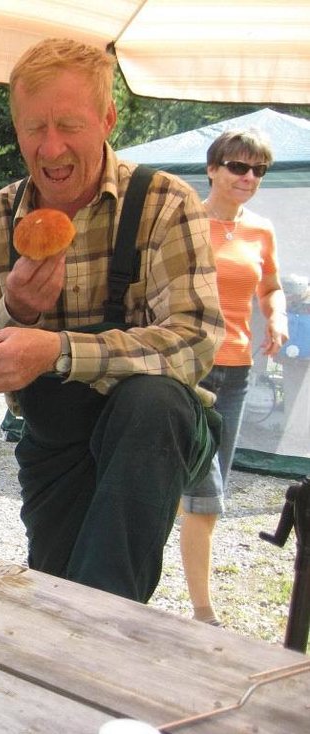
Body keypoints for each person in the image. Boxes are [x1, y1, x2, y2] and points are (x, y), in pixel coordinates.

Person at [0, 38, 224, 603]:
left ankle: (105, 627)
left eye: (69, 125)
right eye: (35, 127)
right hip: (54, 438)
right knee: (54, 590)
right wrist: (17, 310)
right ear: (16, 130)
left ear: (107, 119)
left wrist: (55, 350)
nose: (51, 147)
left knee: (150, 404)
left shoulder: (165, 203)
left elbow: (195, 339)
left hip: (159, 435)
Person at [180, 129, 287, 626]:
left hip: (238, 372)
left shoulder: (260, 231)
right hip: (189, 369)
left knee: (205, 494)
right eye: (238, 167)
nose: (248, 177)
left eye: (258, 170)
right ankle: (203, 611)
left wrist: (278, 316)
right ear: (212, 169)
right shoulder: (185, 223)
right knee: (205, 492)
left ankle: (191, 597)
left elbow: (271, 288)